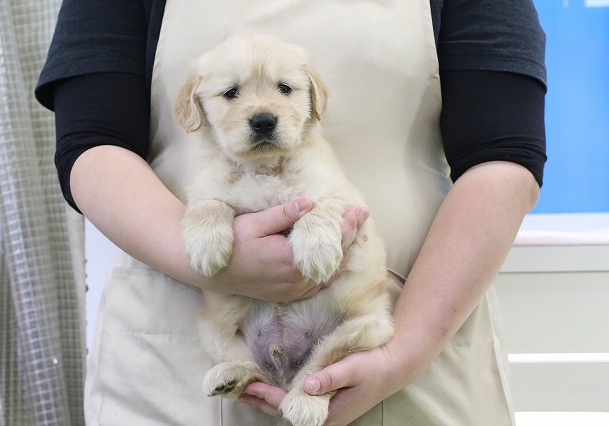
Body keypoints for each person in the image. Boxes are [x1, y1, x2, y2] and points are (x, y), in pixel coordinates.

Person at [35, 0, 547, 424]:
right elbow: (91, 145)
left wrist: (402, 353)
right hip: (184, 352)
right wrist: (203, 254)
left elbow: (503, 158)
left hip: (409, 337)